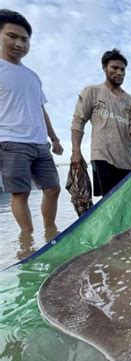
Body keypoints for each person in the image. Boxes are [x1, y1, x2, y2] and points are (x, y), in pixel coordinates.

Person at [0, 9, 64, 233]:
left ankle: (50, 230)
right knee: (20, 193)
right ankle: (27, 238)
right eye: (12, 36)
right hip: (10, 141)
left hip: (40, 143)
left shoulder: (33, 76)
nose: (19, 43)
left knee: (53, 188)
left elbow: (41, 109)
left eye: (24, 39)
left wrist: (54, 138)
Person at [71, 48, 131, 197]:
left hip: (126, 161)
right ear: (104, 68)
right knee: (109, 201)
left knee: (128, 200)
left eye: (123, 69)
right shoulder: (92, 92)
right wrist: (75, 152)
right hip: (102, 157)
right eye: (114, 68)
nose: (119, 72)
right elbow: (78, 122)